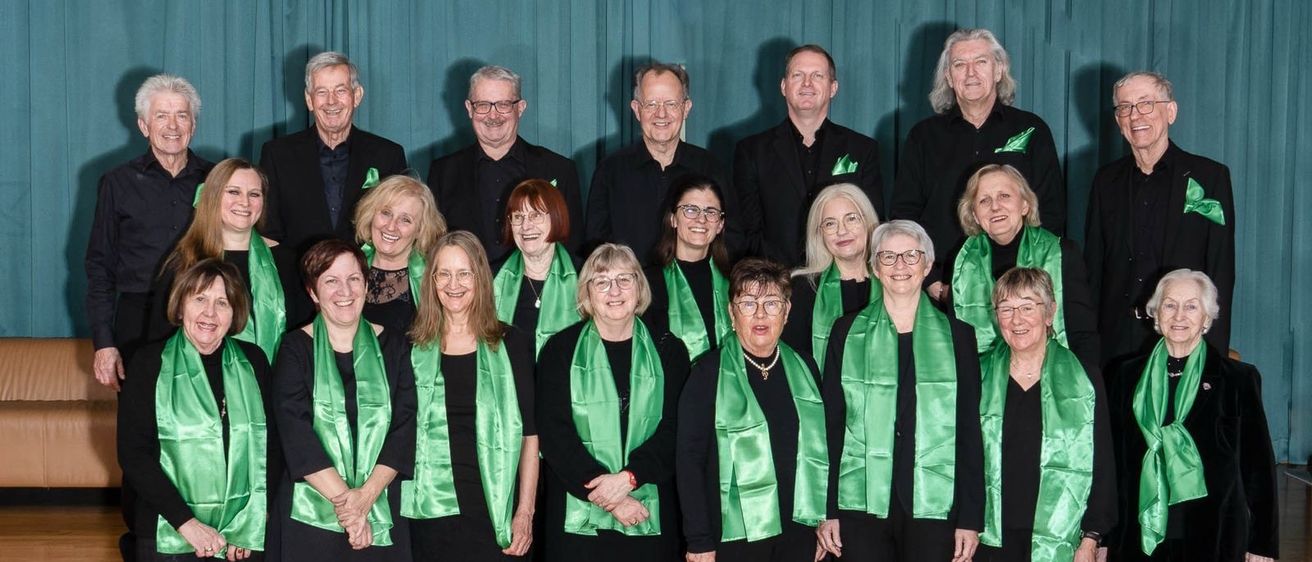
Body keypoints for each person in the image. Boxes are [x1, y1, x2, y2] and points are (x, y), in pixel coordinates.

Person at [817, 220, 983, 562]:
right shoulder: (846, 332)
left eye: (911, 255)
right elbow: (831, 424)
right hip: (859, 503)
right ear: (875, 267)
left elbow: (969, 431)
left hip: (936, 504)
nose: (900, 266)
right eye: (888, 257)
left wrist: (970, 517)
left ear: (927, 265)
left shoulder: (959, 337)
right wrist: (827, 508)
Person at [1108, 270, 1277, 562]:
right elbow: (1111, 466)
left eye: (1191, 306)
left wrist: (1261, 544)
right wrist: (1103, 537)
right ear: (1156, 314)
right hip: (1137, 535)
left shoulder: (1238, 380)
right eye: (1170, 305)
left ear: (1207, 319)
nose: (1179, 316)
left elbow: (1258, 468)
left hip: (1214, 536)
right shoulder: (1125, 376)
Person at [536, 244, 690, 562]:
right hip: (577, 525)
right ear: (587, 293)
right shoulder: (559, 351)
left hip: (649, 513)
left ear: (639, 287)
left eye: (624, 279)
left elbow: (676, 430)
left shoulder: (670, 350)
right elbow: (554, 435)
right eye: (602, 281)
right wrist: (613, 498)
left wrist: (629, 478)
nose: (614, 290)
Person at [891, 28, 1065, 298]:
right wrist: (933, 283)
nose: (970, 73)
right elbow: (905, 215)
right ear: (948, 76)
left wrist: (1025, 281)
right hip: (942, 289)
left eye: (981, 62)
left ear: (998, 70)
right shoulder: (923, 137)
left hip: (1018, 292)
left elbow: (1051, 213)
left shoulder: (1032, 130)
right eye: (960, 65)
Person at [677, 258, 831, 562]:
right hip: (733, 534)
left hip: (798, 530)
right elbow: (689, 462)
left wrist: (821, 521)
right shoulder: (707, 373)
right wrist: (699, 540)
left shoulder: (806, 367)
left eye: (772, 303)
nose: (760, 313)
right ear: (732, 313)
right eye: (748, 303)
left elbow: (822, 451)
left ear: (786, 312)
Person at [118, 259, 273, 561]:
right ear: (180, 306)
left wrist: (255, 519)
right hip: (168, 530)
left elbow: (274, 445)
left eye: (223, 302)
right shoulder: (148, 363)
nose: (210, 313)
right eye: (199, 299)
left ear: (235, 313)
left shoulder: (254, 361)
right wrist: (187, 524)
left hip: (239, 533)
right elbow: (133, 454)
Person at [272, 239, 417, 560]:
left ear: (366, 285)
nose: (345, 290)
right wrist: (351, 509)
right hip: (311, 512)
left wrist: (366, 497)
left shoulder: (395, 344)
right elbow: (297, 436)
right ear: (312, 292)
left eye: (353, 279)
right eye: (331, 281)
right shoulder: (294, 349)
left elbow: (405, 426)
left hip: (381, 503)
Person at [401, 232, 539, 560]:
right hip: (432, 511)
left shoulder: (513, 343)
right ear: (431, 281)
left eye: (464, 273)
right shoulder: (410, 348)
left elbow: (530, 435)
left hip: (497, 507)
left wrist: (525, 512)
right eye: (444, 274)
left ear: (480, 277)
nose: (454, 284)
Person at [1085, 72, 1235, 365]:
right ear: (1118, 121)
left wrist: (1212, 356)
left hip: (1183, 338)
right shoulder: (1105, 181)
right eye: (1125, 107)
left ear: (1171, 112)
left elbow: (1221, 271)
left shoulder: (1211, 177)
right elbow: (1093, 269)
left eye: (1146, 104)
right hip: (1116, 344)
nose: (1135, 115)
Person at [973, 268, 1115, 562]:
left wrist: (1091, 537)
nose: (1017, 319)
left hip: (1060, 537)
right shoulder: (976, 374)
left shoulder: (1084, 379)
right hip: (988, 537)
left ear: (1049, 313)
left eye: (1027, 307)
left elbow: (1102, 463)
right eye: (1006, 308)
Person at [87, 73, 213, 391]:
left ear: (193, 125)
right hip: (136, 321)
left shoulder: (217, 179)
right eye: (161, 116)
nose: (172, 126)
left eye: (181, 116)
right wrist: (104, 342)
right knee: (138, 426)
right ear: (144, 126)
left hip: (204, 317)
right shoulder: (117, 182)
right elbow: (99, 265)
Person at [731, 44, 885, 266]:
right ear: (784, 86)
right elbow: (747, 230)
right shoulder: (751, 152)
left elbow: (872, 223)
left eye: (817, 76)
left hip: (842, 285)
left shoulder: (863, 149)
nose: (807, 84)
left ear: (833, 88)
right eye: (798, 75)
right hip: (777, 285)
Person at [146, 158, 308, 361]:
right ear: (213, 197)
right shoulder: (185, 262)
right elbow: (161, 342)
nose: (245, 202)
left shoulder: (287, 261)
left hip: (276, 384)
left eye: (254, 194)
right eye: (233, 192)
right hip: (201, 385)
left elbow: (302, 337)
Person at [430, 65, 583, 263]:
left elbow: (572, 249)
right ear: (469, 108)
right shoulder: (442, 173)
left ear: (520, 108)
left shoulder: (559, 170)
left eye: (503, 104)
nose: (493, 115)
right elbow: (432, 247)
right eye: (483, 105)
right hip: (466, 291)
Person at [260, 51, 409, 255]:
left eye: (340, 90)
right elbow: (268, 233)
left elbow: (401, 228)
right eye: (322, 92)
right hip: (296, 282)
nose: (331, 101)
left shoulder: (389, 155)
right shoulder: (276, 155)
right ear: (309, 100)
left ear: (356, 96)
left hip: (366, 281)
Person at [949, 164, 1099, 366]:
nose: (995, 206)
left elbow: (1083, 335)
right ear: (975, 215)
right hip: (984, 382)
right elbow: (956, 341)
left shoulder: (1062, 253)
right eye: (984, 200)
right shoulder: (962, 262)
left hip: (1055, 376)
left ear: (1025, 205)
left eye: (1004, 196)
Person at [585, 61, 726, 264]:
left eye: (671, 104)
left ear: (686, 108)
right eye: (651, 104)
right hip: (631, 292)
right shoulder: (610, 172)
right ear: (636, 109)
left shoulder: (711, 168)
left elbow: (731, 239)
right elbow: (596, 248)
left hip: (696, 292)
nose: (661, 114)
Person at [780, 183, 881, 369]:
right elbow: (792, 363)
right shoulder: (802, 288)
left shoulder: (891, 282)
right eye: (830, 224)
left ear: (869, 223)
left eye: (851, 219)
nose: (841, 231)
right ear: (819, 234)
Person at [642, 175, 732, 361]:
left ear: (720, 224)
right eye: (691, 210)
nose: (701, 219)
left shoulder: (736, 282)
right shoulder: (647, 283)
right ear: (673, 219)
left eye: (711, 212)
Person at [491, 179, 581, 356]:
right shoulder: (491, 277)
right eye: (518, 217)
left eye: (535, 215)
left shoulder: (585, 274)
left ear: (556, 217)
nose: (526, 226)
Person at [352, 174, 446, 335]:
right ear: (371, 214)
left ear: (420, 230)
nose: (391, 226)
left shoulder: (435, 279)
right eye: (386, 213)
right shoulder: (346, 267)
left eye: (405, 220)